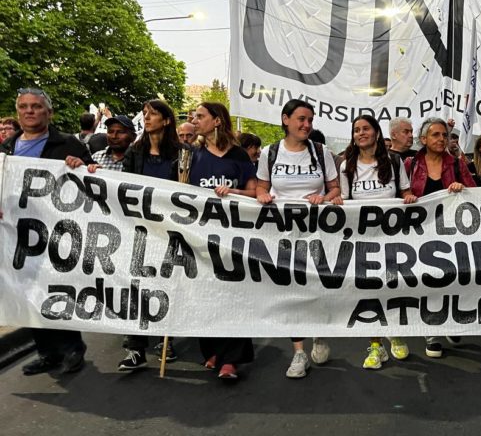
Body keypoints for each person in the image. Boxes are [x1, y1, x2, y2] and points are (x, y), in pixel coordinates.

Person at [66, 100, 182, 372]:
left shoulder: (182, 152)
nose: (147, 118)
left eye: (152, 114)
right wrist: (97, 174)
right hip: (139, 228)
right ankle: (136, 348)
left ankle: (167, 338)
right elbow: (125, 186)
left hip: (171, 229)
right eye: (145, 115)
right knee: (135, 287)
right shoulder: (136, 152)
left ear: (166, 120)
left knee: (167, 284)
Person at [0, 88, 93, 375]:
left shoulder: (68, 144)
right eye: (24, 107)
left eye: (36, 107)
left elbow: (94, 181)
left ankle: (71, 350)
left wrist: (81, 167)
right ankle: (47, 353)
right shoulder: (6, 150)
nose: (30, 111)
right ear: (18, 113)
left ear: (48, 113)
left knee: (58, 291)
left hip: (58, 234)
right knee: (27, 295)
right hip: (17, 236)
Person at [256, 99, 342, 378]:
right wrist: (261, 195)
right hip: (282, 233)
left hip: (316, 233)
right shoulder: (270, 153)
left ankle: (318, 334)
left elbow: (335, 187)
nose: (306, 125)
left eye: (310, 120)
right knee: (290, 291)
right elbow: (261, 185)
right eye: (301, 119)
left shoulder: (321, 152)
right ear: (285, 120)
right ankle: (298, 352)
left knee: (316, 287)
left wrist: (324, 197)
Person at [186, 102, 258, 380]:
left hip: (232, 235)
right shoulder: (192, 155)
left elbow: (252, 192)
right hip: (199, 233)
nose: (195, 120)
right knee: (205, 293)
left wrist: (233, 191)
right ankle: (212, 350)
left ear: (217, 121)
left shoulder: (238, 155)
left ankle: (232, 358)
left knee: (233, 293)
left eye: (200, 116)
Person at [340, 115, 416, 369]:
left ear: (375, 133)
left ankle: (394, 332)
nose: (360, 133)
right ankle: (375, 345)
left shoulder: (394, 162)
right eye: (356, 130)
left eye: (365, 129)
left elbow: (404, 191)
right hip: (363, 239)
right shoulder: (346, 166)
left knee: (392, 286)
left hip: (392, 236)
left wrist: (409, 197)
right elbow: (343, 198)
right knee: (369, 290)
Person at [404, 117, 476, 358]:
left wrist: (461, 188)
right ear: (423, 139)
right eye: (435, 135)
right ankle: (431, 331)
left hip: (452, 233)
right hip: (419, 233)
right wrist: (408, 197)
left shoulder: (456, 164)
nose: (441, 139)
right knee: (427, 280)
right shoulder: (410, 164)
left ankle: (452, 321)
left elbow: (475, 193)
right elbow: (398, 193)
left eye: (444, 135)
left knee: (453, 278)